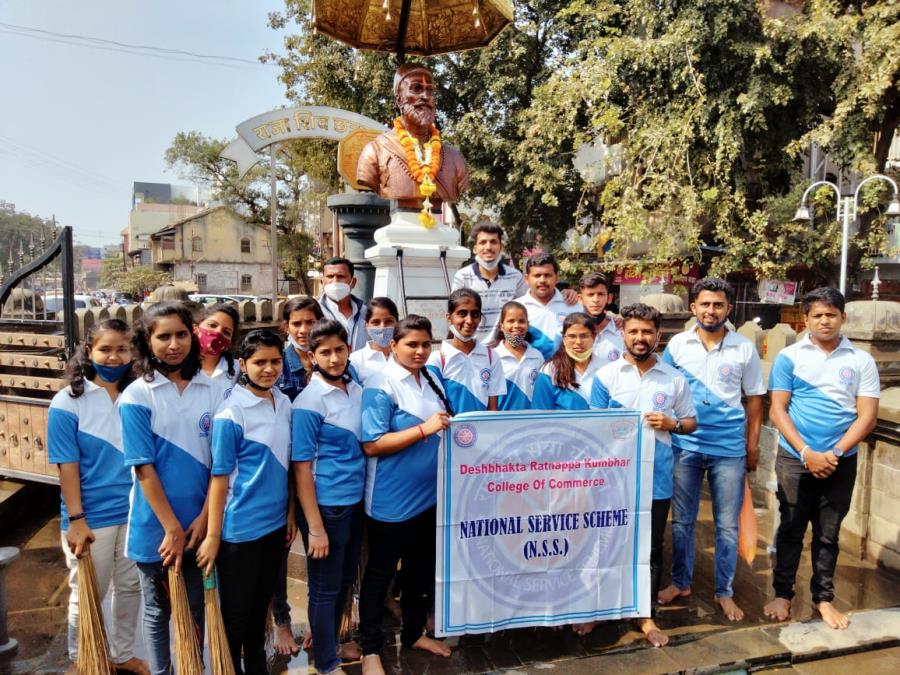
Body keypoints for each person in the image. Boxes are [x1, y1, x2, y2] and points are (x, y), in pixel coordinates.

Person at [119, 302, 227, 675]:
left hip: (201, 525)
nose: (173, 344)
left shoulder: (211, 390)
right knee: (157, 608)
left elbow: (221, 465)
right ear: (147, 342)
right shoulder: (136, 395)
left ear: (192, 336)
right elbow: (144, 469)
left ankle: (192, 668)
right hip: (156, 528)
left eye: (181, 334)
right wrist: (172, 529)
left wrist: (203, 520)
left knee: (196, 607)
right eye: (162, 336)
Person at [763, 287, 879, 630]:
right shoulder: (790, 357)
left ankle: (823, 599)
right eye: (817, 315)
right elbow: (778, 409)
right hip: (795, 457)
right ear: (806, 319)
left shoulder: (860, 361)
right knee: (791, 528)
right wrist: (806, 452)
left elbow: (867, 416)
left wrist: (834, 453)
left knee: (828, 533)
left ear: (843, 317)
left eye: (831, 314)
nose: (824, 320)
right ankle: (782, 593)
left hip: (841, 460)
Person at [584, 303, 697, 646]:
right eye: (633, 331)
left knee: (650, 548)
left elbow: (691, 422)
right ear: (623, 333)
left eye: (647, 331)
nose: (640, 337)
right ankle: (601, 608)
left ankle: (645, 615)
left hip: (656, 478)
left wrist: (672, 423)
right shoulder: (606, 377)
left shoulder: (674, 379)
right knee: (605, 543)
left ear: (659, 335)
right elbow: (591, 429)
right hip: (612, 478)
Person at [658, 279, 766, 622]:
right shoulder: (677, 345)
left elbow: (755, 401)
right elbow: (663, 389)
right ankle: (680, 582)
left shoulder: (744, 348)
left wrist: (752, 445)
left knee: (727, 526)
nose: (711, 310)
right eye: (704, 304)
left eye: (718, 305)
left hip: (728, 448)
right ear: (694, 308)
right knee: (682, 522)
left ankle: (724, 592)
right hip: (685, 444)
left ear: (728, 309)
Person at [48, 320, 148, 675]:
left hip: (135, 512)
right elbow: (67, 467)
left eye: (122, 348)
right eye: (105, 348)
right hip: (91, 517)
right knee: (89, 592)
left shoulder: (138, 394)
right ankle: (82, 658)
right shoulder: (67, 401)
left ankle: (121, 654)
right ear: (89, 351)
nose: (114, 356)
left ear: (133, 352)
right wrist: (76, 520)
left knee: (129, 588)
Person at [358, 315, 453, 675]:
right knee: (380, 575)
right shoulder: (379, 384)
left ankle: (414, 632)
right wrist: (424, 430)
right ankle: (370, 650)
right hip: (390, 501)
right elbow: (372, 444)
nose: (419, 351)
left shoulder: (432, 377)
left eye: (426, 344)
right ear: (393, 345)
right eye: (411, 344)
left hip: (429, 496)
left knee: (418, 571)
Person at [197, 329, 294, 674]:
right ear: (242, 364)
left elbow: (289, 466)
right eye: (259, 362)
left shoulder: (283, 402)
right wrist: (213, 536)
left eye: (275, 361)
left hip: (274, 527)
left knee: (257, 617)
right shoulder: (231, 413)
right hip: (239, 532)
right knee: (235, 621)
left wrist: (291, 514)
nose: (269, 369)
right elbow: (220, 478)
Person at [292, 321, 367, 675]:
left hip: (355, 502)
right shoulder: (309, 402)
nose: (334, 358)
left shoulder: (355, 389)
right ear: (311, 356)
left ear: (348, 350)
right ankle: (325, 663)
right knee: (323, 588)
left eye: (339, 349)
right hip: (327, 506)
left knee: (343, 581)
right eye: (325, 352)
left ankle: (333, 645)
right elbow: (302, 468)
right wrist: (316, 527)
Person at [272, 295, 323, 654]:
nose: (305, 330)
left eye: (311, 322)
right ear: (285, 327)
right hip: (287, 472)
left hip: (327, 472)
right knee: (281, 550)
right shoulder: (279, 364)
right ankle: (281, 621)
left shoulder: (331, 358)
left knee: (326, 551)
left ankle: (325, 623)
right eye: (297, 324)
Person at [356, 63, 469, 210]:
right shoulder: (375, 151)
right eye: (417, 88)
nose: (425, 96)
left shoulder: (455, 158)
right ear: (399, 100)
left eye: (430, 90)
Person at [426, 289, 505, 413]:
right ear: (449, 317)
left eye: (475, 314)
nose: (469, 321)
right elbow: (432, 406)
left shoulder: (491, 357)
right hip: (449, 431)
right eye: (462, 314)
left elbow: (493, 409)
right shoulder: (437, 360)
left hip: (483, 430)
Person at [451, 222, 528, 344]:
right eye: (483, 242)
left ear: (501, 247)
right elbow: (456, 314)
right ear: (475, 248)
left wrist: (565, 293)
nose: (488, 247)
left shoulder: (515, 277)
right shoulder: (462, 277)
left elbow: (528, 307)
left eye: (493, 242)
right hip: (471, 350)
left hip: (504, 351)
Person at [515, 252, 583, 360]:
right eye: (537, 275)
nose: (542, 280)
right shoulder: (516, 308)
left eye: (547, 275)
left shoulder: (573, 307)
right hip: (530, 374)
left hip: (566, 373)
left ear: (556, 277)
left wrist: (613, 319)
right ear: (527, 279)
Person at [531, 313, 600, 410]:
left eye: (584, 336)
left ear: (594, 336)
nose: (578, 342)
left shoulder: (605, 368)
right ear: (563, 338)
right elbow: (539, 413)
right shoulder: (549, 371)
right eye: (572, 336)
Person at [492, 301, 545, 410]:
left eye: (521, 321)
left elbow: (543, 392)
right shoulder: (493, 357)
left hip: (532, 421)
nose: (516, 325)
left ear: (527, 325)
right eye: (511, 321)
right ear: (501, 326)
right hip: (503, 422)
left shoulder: (537, 356)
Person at [319, 257, 367, 352]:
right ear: (322, 282)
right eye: (330, 276)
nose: (335, 281)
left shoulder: (365, 313)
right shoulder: (314, 310)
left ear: (353, 282)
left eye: (341, 276)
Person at [350, 297, 400, 385]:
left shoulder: (405, 355)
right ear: (366, 326)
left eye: (389, 321)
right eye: (376, 322)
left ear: (397, 323)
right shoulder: (356, 360)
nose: (382, 327)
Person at [578, 272, 624, 367]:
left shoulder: (621, 331)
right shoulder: (570, 332)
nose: (596, 299)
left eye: (601, 294)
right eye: (590, 295)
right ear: (580, 299)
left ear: (609, 298)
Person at [195, 303, 240, 383]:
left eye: (226, 332)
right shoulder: (177, 366)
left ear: (230, 342)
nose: (218, 332)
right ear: (195, 328)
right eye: (212, 325)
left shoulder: (239, 370)